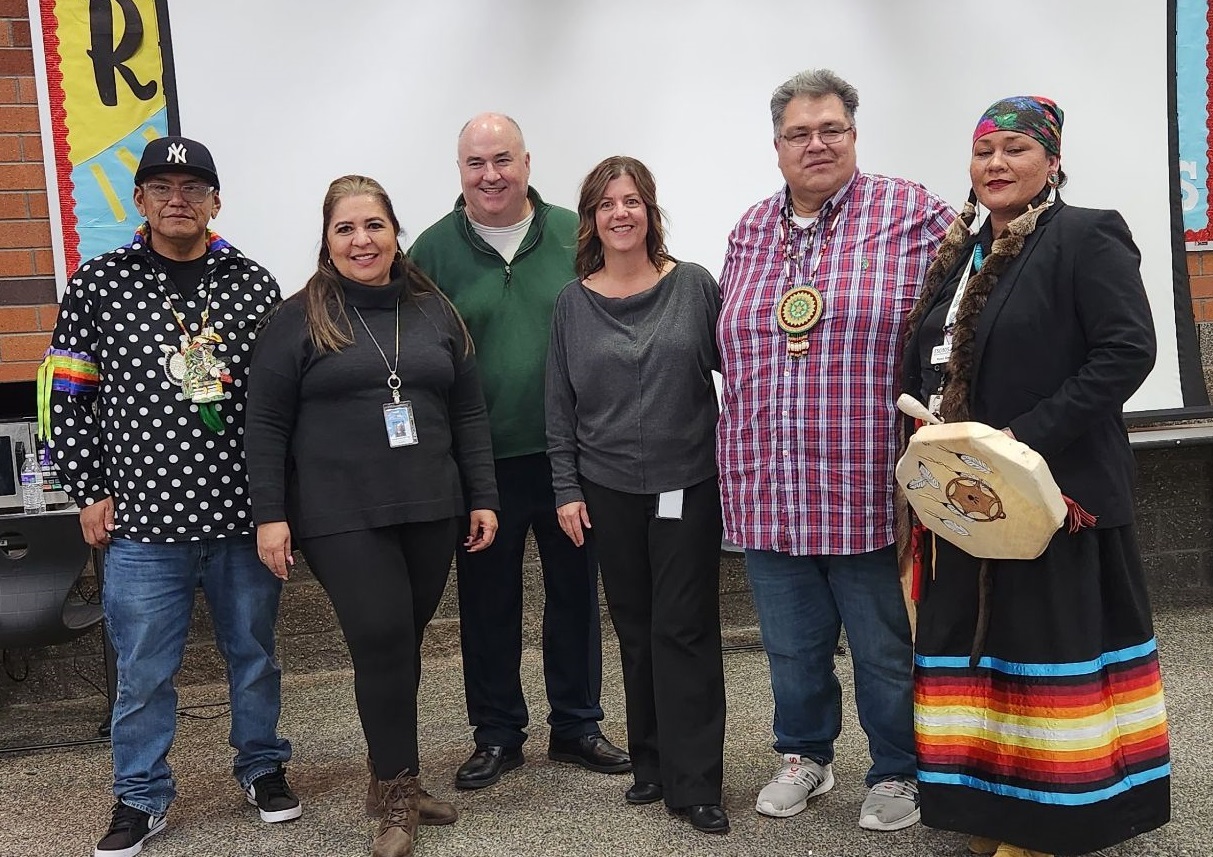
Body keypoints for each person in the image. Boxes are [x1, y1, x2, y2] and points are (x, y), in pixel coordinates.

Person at [900, 96, 1170, 857]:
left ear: (1052, 161)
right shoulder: (960, 253)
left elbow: (1126, 352)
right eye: (983, 150)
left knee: (1046, 655)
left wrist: (1020, 443)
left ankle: (1056, 821)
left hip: (1057, 495)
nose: (995, 163)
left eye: (1015, 149)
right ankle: (993, 809)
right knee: (977, 654)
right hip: (968, 499)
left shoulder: (1085, 235)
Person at [39, 135, 298, 857]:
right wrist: (88, 489)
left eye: (192, 188)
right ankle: (139, 796)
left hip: (242, 518)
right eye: (161, 187)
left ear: (216, 201)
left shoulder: (252, 283)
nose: (177, 199)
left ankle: (262, 767)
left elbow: (279, 404)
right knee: (144, 672)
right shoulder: (99, 283)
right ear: (140, 200)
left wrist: (280, 505)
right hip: (142, 525)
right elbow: (66, 394)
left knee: (255, 655)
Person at [716, 68, 954, 830]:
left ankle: (897, 769)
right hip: (769, 483)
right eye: (798, 133)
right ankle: (804, 755)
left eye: (830, 130)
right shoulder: (750, 229)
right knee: (790, 647)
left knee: (883, 648)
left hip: (868, 485)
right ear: (776, 146)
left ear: (852, 134)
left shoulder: (912, 213)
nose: (814, 144)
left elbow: (978, 301)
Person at [245, 175, 499, 857]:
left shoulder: (434, 311)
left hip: (430, 507)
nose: (362, 240)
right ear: (327, 241)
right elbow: (265, 424)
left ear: (394, 233)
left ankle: (392, 779)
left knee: (399, 646)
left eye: (374, 225)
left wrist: (482, 495)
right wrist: (270, 515)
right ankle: (395, 794)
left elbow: (468, 411)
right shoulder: (297, 318)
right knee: (383, 638)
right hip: (339, 514)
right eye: (345, 228)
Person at [409, 113, 629, 788]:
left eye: (502, 159)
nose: (491, 175)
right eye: (475, 163)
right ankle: (498, 733)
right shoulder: (430, 252)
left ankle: (577, 724)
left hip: (572, 456)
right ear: (459, 171)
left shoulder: (574, 233)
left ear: (527, 163)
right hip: (480, 465)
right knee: (487, 604)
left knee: (574, 596)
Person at [546, 156, 728, 834]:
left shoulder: (693, 285)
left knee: (684, 627)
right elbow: (558, 405)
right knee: (635, 629)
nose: (619, 213)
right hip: (607, 487)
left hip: (687, 482)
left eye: (631, 201)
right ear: (591, 220)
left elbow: (738, 372)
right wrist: (566, 488)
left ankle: (696, 780)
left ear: (650, 210)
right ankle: (650, 764)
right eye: (606, 204)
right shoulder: (572, 303)